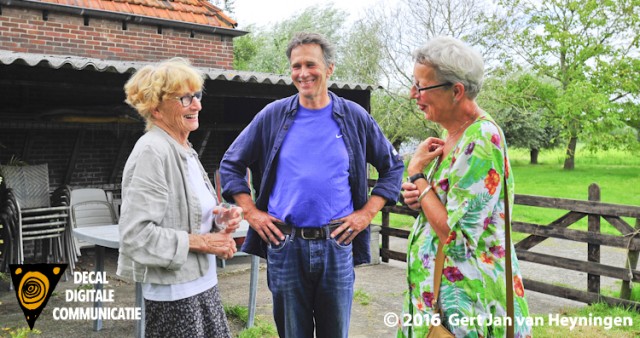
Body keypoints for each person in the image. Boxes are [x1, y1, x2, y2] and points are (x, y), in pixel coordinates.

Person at [220, 32, 404, 337]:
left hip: (337, 242)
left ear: (329, 69)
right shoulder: (274, 116)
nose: (302, 73)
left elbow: (393, 167)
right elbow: (231, 164)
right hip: (285, 244)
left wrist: (367, 214)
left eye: (310, 64)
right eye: (295, 66)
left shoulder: (354, 117)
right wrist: (251, 212)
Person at [398, 36, 533, 337]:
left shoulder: (482, 140)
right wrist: (422, 197)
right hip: (441, 302)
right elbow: (452, 208)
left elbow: (457, 239)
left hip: (468, 306)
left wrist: (418, 175)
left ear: (456, 91)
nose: (412, 94)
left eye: (421, 86)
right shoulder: (453, 136)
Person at [116, 57, 242, 337]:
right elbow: (136, 236)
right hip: (175, 295)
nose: (197, 105)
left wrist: (220, 219)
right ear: (156, 108)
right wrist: (205, 242)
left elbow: (190, 215)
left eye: (196, 95)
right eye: (185, 98)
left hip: (202, 283)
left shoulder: (184, 148)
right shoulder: (153, 151)